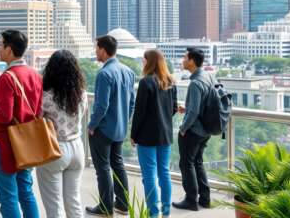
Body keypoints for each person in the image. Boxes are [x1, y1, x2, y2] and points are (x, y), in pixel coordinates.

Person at [0, 29, 42, 218]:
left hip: (5, 145)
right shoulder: (35, 75)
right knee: (26, 193)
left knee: (8, 199)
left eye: (0, 44)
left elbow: (5, 116)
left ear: (9, 49)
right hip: (27, 144)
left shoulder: (6, 78)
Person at [86, 35, 135, 217]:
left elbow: (101, 106)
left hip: (104, 130)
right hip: (120, 129)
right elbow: (131, 103)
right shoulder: (128, 71)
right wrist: (125, 120)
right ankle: (122, 204)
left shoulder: (104, 74)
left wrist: (92, 126)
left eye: (96, 48)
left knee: (103, 168)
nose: (95, 52)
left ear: (103, 50)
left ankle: (105, 207)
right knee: (118, 164)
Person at [35, 50, 87, 218]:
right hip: (77, 147)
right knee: (74, 202)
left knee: (54, 206)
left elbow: (37, 120)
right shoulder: (82, 95)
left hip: (54, 149)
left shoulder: (46, 97)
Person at [130, 50, 178, 218]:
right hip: (165, 134)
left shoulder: (146, 83)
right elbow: (173, 109)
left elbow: (139, 112)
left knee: (149, 174)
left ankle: (153, 213)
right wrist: (162, 119)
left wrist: (133, 134)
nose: (142, 62)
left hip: (146, 136)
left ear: (149, 62)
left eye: (144, 60)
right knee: (164, 173)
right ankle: (166, 212)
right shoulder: (171, 82)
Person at [173, 47, 214, 211]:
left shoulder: (195, 83)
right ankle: (205, 198)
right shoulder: (208, 76)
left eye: (184, 57)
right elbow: (201, 105)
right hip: (206, 130)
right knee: (197, 162)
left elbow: (195, 111)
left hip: (194, 131)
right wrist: (188, 107)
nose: (182, 60)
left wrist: (183, 128)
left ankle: (191, 200)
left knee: (186, 163)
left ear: (191, 61)